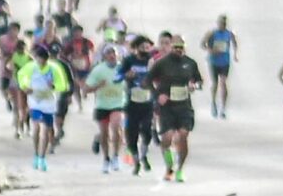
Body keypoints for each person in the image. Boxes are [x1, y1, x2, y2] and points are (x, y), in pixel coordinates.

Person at [147, 35, 203, 183]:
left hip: (184, 105)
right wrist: (157, 95)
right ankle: (169, 166)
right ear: (171, 47)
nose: (178, 50)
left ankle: (180, 170)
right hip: (167, 107)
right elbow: (147, 81)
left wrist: (194, 86)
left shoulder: (190, 63)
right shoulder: (162, 63)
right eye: (176, 47)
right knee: (168, 137)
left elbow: (199, 80)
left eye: (181, 47)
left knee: (183, 135)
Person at [18, 46, 70, 171]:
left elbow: (63, 85)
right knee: (37, 128)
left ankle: (42, 157)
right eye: (40, 60)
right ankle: (36, 154)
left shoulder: (54, 68)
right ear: (36, 58)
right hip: (35, 102)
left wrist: (53, 86)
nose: (42, 63)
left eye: (44, 61)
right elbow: (22, 76)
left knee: (46, 130)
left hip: (49, 104)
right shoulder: (31, 67)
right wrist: (25, 87)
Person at [84, 45, 127, 173]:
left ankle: (116, 157)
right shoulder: (98, 70)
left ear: (117, 55)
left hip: (118, 103)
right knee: (104, 133)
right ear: (104, 56)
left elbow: (132, 83)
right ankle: (106, 158)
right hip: (102, 105)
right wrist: (98, 86)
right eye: (108, 53)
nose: (111, 55)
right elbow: (86, 89)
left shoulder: (122, 68)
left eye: (113, 53)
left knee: (116, 126)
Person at [121, 35, 155, 175]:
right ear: (136, 48)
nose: (145, 50)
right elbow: (118, 75)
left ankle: (143, 154)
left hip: (147, 103)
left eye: (147, 47)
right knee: (131, 135)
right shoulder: (129, 60)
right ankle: (136, 162)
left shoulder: (152, 61)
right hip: (132, 103)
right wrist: (126, 75)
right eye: (142, 47)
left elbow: (158, 78)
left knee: (147, 131)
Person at [201, 15, 238, 118]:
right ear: (218, 23)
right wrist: (211, 51)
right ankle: (213, 103)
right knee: (215, 84)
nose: (222, 25)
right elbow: (202, 44)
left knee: (223, 83)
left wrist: (235, 54)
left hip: (225, 62)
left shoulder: (229, 34)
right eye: (221, 23)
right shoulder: (212, 33)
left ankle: (223, 108)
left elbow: (235, 43)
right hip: (214, 62)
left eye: (224, 23)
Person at [63, 25, 95, 111]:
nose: (77, 34)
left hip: (86, 66)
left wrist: (92, 62)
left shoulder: (87, 42)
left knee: (84, 82)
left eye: (79, 32)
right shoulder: (70, 43)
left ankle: (84, 91)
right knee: (75, 86)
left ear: (81, 32)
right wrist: (70, 59)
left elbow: (93, 52)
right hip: (74, 66)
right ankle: (80, 104)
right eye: (75, 32)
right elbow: (64, 54)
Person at [8, 38, 33, 139]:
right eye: (20, 48)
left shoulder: (29, 58)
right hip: (16, 83)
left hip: (26, 83)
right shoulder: (13, 57)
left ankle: (26, 126)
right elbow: (10, 67)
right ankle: (19, 128)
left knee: (26, 107)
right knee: (18, 107)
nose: (22, 50)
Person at [0, 22, 22, 113]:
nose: (12, 32)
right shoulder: (2, 39)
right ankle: (7, 100)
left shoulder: (20, 41)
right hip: (4, 67)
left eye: (15, 30)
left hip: (15, 67)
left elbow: (25, 51)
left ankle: (15, 103)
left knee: (15, 88)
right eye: (11, 30)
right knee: (3, 87)